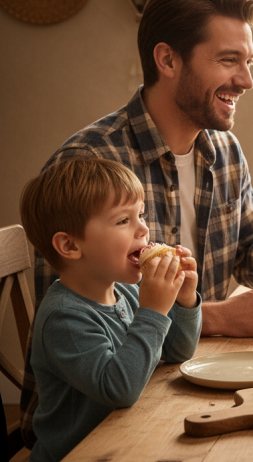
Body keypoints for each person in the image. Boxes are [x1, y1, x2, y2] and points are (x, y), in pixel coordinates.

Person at [20, 0, 253, 447]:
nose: (247, 81)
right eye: (228, 60)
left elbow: (252, 263)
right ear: (169, 60)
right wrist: (214, 317)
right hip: (96, 428)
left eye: (247, 62)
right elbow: (66, 301)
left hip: (189, 381)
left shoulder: (224, 148)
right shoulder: (90, 163)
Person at [20, 159, 203, 462]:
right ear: (69, 245)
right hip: (78, 454)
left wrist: (184, 300)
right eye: (123, 221)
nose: (144, 229)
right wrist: (154, 311)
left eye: (141, 215)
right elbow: (119, 389)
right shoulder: (63, 318)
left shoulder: (127, 290)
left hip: (127, 439)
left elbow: (177, 351)